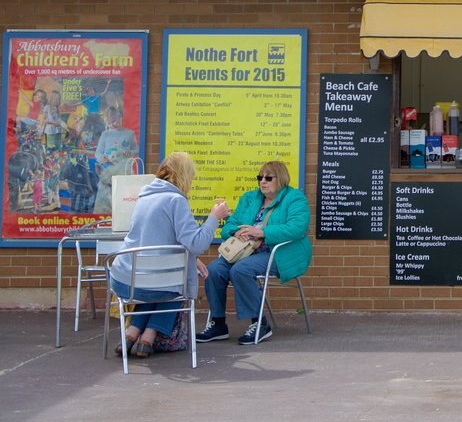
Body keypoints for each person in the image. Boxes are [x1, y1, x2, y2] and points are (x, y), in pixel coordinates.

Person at [108, 152, 230, 358]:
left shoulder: (144, 197)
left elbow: (156, 240)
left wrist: (194, 260)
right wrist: (213, 218)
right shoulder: (176, 200)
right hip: (151, 283)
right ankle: (148, 337)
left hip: (123, 281)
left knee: (160, 281)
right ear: (184, 176)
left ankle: (131, 334)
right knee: (175, 284)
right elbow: (196, 243)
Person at [197, 161, 311, 345]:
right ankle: (218, 324)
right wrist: (237, 232)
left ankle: (260, 324)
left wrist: (262, 232)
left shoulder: (295, 198)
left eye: (268, 178)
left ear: (280, 178)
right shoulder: (250, 198)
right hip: (243, 252)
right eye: (260, 178)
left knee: (241, 270)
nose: (262, 182)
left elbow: (298, 228)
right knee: (213, 270)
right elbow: (230, 226)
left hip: (278, 253)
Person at [93, 104, 138, 213]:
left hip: (124, 173)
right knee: (104, 206)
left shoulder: (129, 134)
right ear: (107, 120)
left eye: (116, 119)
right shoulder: (105, 135)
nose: (114, 122)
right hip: (108, 174)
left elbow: (137, 151)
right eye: (111, 120)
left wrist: (129, 153)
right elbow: (98, 152)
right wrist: (101, 158)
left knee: (125, 204)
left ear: (120, 118)